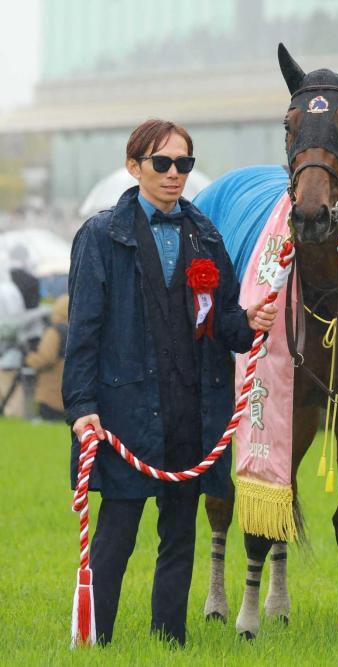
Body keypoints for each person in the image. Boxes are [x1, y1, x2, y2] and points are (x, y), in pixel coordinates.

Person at [63, 119, 278, 646]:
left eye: (184, 163)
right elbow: (83, 331)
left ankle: (170, 639)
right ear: (134, 166)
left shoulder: (206, 235)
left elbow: (225, 324)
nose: (174, 174)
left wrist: (249, 321)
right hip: (124, 411)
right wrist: (80, 405)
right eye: (162, 163)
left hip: (192, 410)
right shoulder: (100, 236)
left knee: (181, 533)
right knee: (118, 532)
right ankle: (98, 638)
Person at [23, 293, 69, 421]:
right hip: (69, 396)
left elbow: (46, 358)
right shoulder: (78, 331)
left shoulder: (55, 332)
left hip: (51, 394)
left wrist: (28, 359)